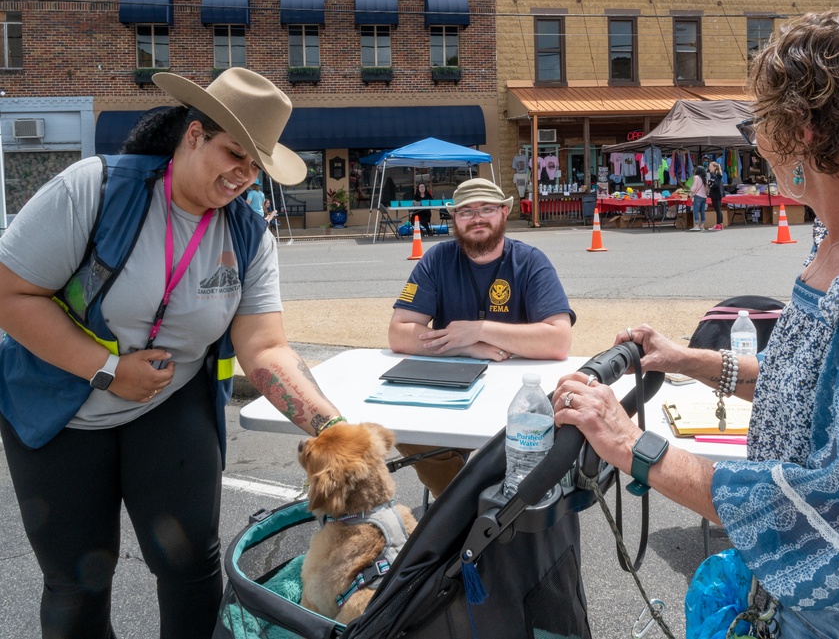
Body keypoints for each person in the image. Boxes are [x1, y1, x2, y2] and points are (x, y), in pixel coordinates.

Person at [552, 9, 839, 637]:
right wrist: (687, 360)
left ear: (805, 131)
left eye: (760, 121)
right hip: (828, 607)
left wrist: (634, 447)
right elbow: (828, 393)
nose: (756, 140)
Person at [0, 67, 347, 638]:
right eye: (234, 153)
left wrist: (333, 431)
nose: (243, 175)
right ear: (193, 135)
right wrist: (108, 371)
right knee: (77, 581)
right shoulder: (95, 188)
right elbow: (11, 295)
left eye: (255, 165)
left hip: (168, 405)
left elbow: (264, 345)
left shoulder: (247, 233)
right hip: (59, 405)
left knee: (190, 568)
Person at [389, 177, 575, 497]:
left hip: (520, 393)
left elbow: (559, 341)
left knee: (534, 445)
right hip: (454, 389)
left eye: (487, 208)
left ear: (504, 213)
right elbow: (399, 333)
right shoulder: (437, 259)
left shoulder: (531, 261)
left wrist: (481, 329)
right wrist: (469, 347)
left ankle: (489, 507)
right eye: (466, 211)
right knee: (409, 430)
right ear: (455, 219)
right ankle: (463, 505)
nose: (477, 218)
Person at [706, 161, 725, 230]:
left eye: (710, 167)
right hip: (719, 193)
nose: (709, 168)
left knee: (717, 210)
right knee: (719, 209)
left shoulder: (713, 175)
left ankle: (718, 224)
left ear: (714, 167)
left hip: (715, 194)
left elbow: (714, 185)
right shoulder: (719, 175)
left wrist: (709, 184)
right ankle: (721, 224)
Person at [689, 165, 708, 231]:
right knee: (702, 212)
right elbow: (706, 188)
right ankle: (702, 225)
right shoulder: (705, 178)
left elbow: (694, 187)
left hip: (698, 196)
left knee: (696, 211)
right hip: (704, 197)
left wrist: (691, 194)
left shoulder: (696, 177)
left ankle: (696, 225)